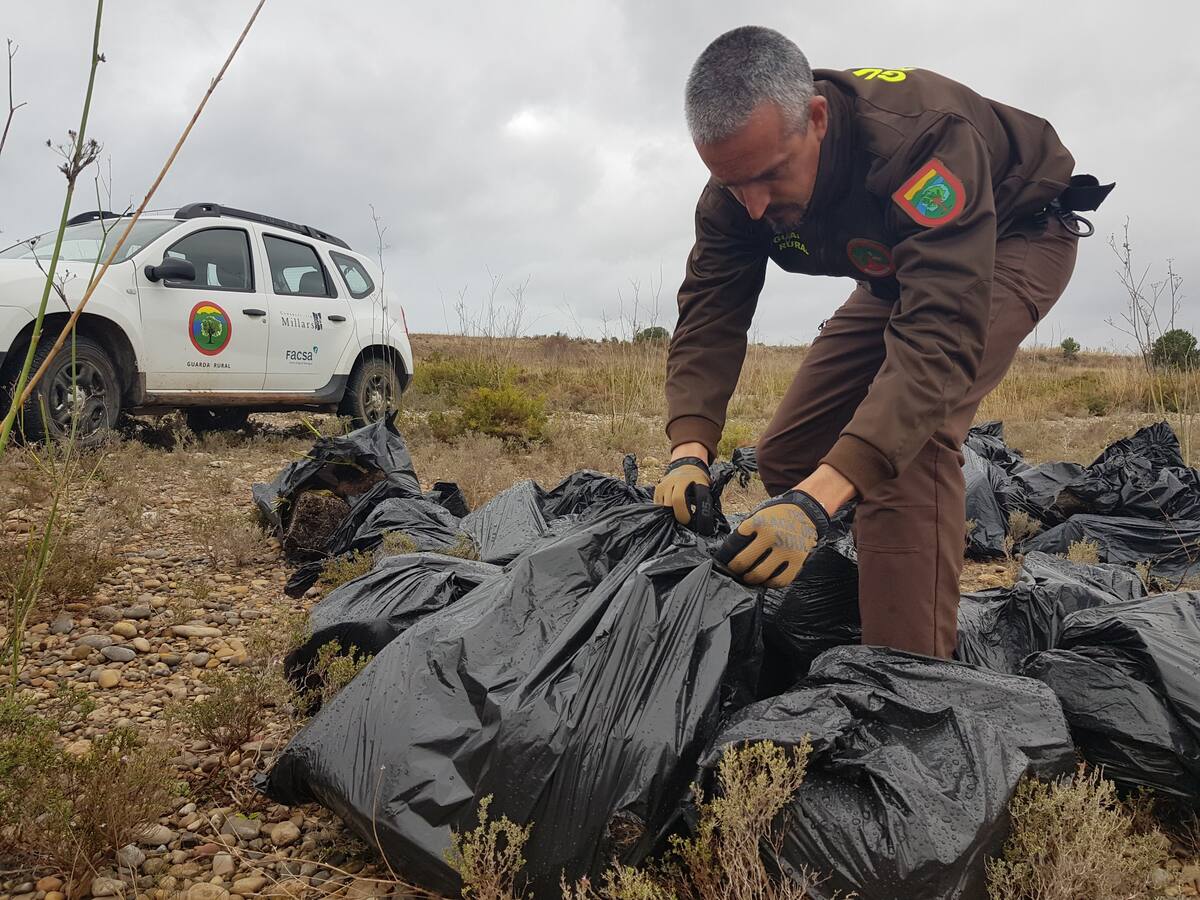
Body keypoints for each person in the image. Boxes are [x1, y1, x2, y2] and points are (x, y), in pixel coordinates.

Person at [653, 26, 1112, 657]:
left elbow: (937, 337)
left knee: (908, 448)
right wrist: (688, 449)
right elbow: (711, 310)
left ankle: (908, 692)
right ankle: (866, 595)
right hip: (897, 266)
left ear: (816, 118)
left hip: (1011, 237)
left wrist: (817, 504)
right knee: (793, 454)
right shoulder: (739, 185)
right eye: (733, 184)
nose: (752, 206)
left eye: (767, 177)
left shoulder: (922, 144)